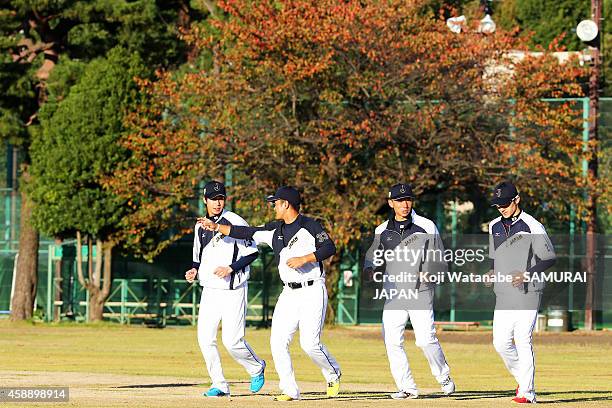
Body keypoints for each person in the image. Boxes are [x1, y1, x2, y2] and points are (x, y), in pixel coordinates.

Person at [200, 186, 341, 401]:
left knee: (310, 344)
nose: (273, 206)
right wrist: (217, 226)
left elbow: (329, 248)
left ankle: (332, 373)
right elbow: (246, 232)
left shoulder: (310, 226)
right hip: (289, 293)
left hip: (312, 290)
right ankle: (289, 390)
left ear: (286, 204)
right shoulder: (275, 228)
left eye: (275, 203)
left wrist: (305, 258)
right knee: (277, 341)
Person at [364, 183, 455, 399]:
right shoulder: (381, 231)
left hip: (420, 292)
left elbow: (441, 259)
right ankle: (407, 387)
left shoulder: (426, 226)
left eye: (408, 200)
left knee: (425, 339)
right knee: (392, 340)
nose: (405, 204)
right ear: (391, 203)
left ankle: (443, 376)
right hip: (394, 293)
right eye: (400, 200)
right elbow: (372, 258)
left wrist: (430, 273)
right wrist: (370, 270)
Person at [185, 180, 266, 398]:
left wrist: (231, 267)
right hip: (210, 289)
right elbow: (197, 256)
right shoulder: (199, 226)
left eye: (221, 198)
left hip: (233, 289)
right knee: (205, 339)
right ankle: (219, 384)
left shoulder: (235, 221)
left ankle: (256, 367)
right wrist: (194, 270)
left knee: (232, 341)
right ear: (205, 200)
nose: (217, 203)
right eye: (213, 199)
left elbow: (253, 252)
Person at [486, 181, 556, 404]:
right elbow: (493, 257)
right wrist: (490, 272)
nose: (502, 209)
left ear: (517, 200)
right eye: (498, 205)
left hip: (529, 289)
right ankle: (523, 379)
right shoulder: (494, 225)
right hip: (504, 293)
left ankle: (527, 392)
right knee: (500, 343)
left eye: (505, 204)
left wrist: (526, 274)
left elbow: (549, 258)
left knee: (523, 339)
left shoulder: (532, 225)